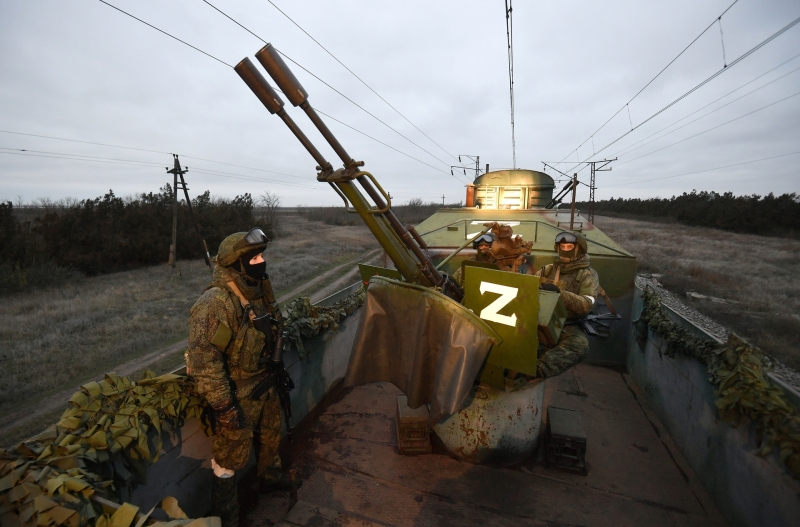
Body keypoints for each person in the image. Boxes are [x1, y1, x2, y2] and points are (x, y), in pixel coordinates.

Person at [186, 228, 290, 527]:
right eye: (254, 257)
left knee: (271, 436)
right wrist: (225, 408)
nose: (261, 262)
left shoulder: (256, 289)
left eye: (261, 256)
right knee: (228, 461)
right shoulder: (216, 303)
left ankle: (269, 478)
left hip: (266, 383)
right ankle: (226, 517)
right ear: (236, 265)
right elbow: (205, 362)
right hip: (238, 397)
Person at [535, 232, 600, 378]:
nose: (565, 249)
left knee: (579, 346)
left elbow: (586, 305)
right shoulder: (548, 270)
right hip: (539, 317)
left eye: (570, 246)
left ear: (579, 249)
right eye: (562, 246)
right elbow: (527, 286)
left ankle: (537, 370)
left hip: (566, 324)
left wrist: (560, 293)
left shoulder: (587, 275)